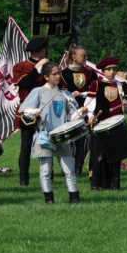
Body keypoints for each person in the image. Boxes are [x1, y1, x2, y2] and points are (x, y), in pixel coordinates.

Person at [19, 63, 83, 204]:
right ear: (46, 76)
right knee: (46, 170)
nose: (58, 76)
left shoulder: (65, 94)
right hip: (45, 135)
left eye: (58, 73)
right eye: (54, 74)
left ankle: (74, 198)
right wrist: (34, 112)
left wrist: (80, 114)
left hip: (63, 136)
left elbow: (71, 115)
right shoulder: (39, 91)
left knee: (69, 169)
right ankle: (49, 200)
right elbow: (24, 110)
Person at [86, 56, 127, 190]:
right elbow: (89, 104)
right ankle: (96, 184)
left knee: (116, 156)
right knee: (99, 156)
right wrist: (90, 116)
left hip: (117, 126)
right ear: (103, 70)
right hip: (100, 125)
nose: (112, 72)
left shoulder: (122, 85)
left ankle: (115, 184)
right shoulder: (96, 84)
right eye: (109, 69)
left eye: (114, 69)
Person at [12, 36, 50, 186]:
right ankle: (23, 178)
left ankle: (48, 176)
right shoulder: (21, 66)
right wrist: (37, 68)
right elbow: (26, 83)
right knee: (26, 146)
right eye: (44, 48)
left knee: (47, 145)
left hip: (46, 109)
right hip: (27, 110)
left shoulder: (49, 65)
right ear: (40, 50)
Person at [60, 44, 95, 177]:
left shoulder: (90, 73)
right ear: (74, 57)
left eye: (86, 55)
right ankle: (68, 168)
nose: (85, 57)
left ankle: (79, 168)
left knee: (83, 141)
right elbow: (59, 92)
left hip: (86, 110)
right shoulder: (63, 74)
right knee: (70, 141)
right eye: (82, 55)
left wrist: (84, 97)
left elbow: (95, 90)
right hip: (70, 112)